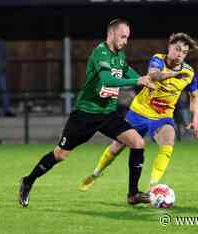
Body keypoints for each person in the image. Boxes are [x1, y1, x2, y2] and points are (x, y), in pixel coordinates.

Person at [18, 18, 155, 208]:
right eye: (123, 36)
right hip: (85, 115)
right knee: (60, 155)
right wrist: (137, 81)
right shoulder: (100, 53)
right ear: (112, 34)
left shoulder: (120, 56)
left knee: (138, 142)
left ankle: (133, 194)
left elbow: (128, 71)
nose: (126, 41)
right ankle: (28, 181)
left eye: (128, 37)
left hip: (107, 114)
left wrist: (146, 78)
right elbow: (107, 80)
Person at [80, 32, 198, 192]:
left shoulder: (189, 73)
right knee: (116, 147)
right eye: (177, 49)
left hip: (162, 116)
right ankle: (96, 173)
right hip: (138, 112)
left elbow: (195, 95)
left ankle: (154, 186)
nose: (180, 54)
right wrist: (174, 74)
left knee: (169, 141)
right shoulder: (158, 59)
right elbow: (154, 75)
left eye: (184, 52)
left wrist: (195, 120)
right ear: (169, 47)